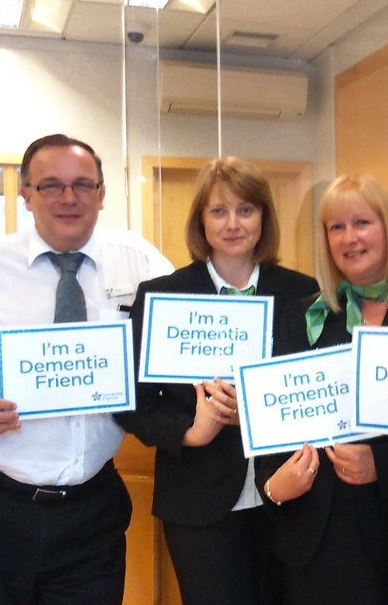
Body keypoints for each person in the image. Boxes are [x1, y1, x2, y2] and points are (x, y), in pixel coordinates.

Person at [0, 134, 173, 604]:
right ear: (26, 195)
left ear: (101, 194)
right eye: (51, 186)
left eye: (83, 184)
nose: (68, 197)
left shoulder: (143, 264)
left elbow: (183, 343)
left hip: (91, 511)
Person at [113, 157, 316, 603]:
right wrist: (189, 432)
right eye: (218, 211)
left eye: (246, 210)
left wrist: (265, 409)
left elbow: (315, 387)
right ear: (200, 221)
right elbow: (130, 401)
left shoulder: (301, 292)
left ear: (264, 217)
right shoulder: (163, 294)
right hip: (199, 504)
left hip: (288, 499)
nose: (233, 224)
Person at [255, 174, 388, 605]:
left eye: (361, 222)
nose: (349, 237)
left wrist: (383, 463)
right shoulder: (303, 316)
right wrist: (273, 486)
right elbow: (277, 417)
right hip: (312, 546)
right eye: (335, 227)